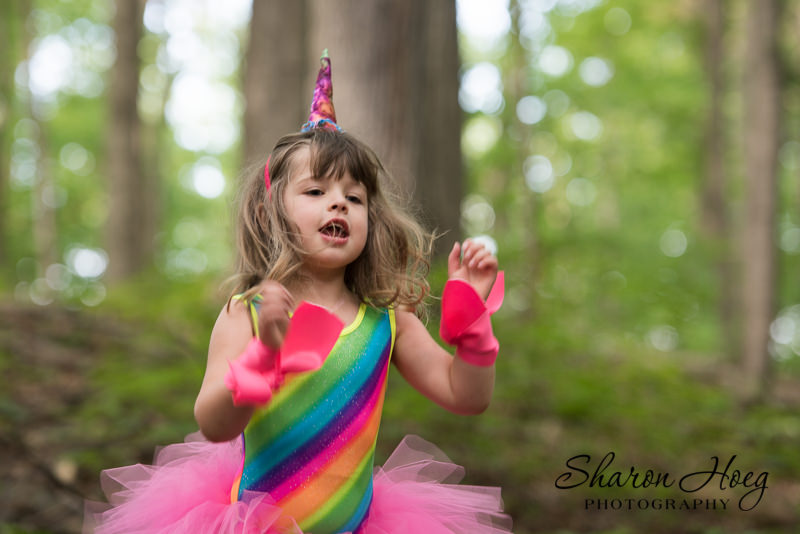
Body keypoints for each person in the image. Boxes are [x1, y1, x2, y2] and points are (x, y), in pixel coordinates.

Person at [85, 51, 512, 534]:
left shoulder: (386, 320)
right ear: (271, 214)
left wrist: (473, 327)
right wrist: (263, 358)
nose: (338, 202)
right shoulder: (247, 313)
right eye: (315, 192)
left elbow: (466, 395)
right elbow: (214, 424)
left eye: (355, 198)